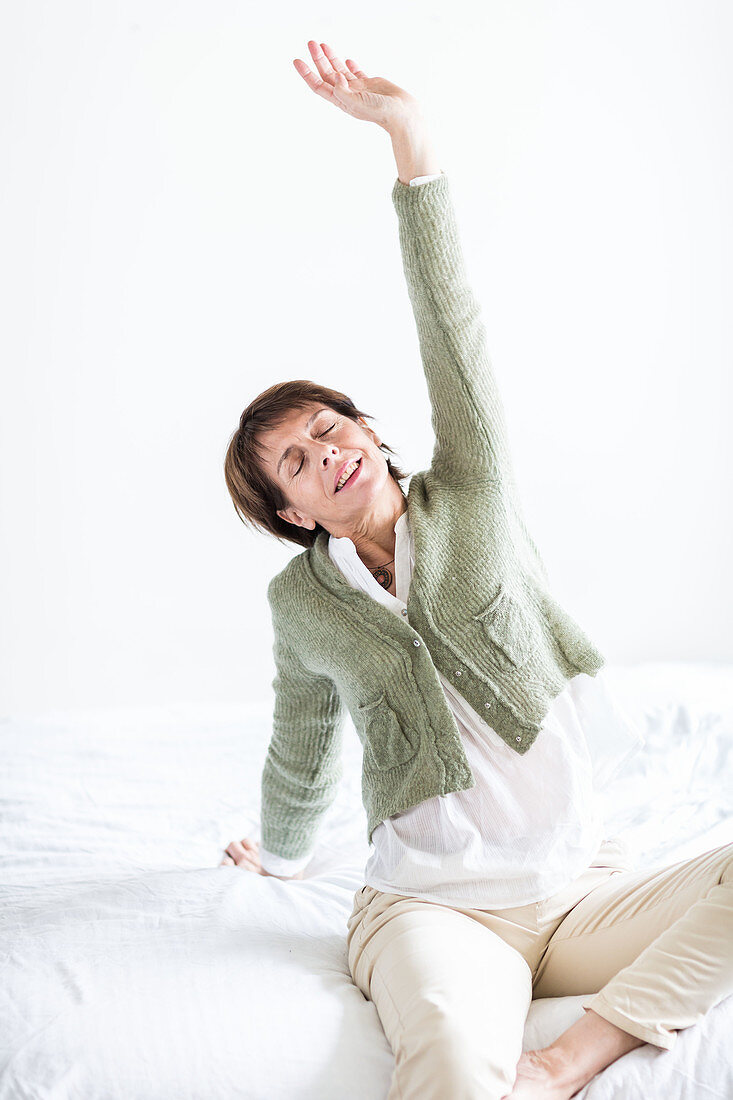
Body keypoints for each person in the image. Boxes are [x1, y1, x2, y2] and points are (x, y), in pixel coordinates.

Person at [219, 40, 733, 1100]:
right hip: (433, 908)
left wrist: (412, 144)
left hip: (578, 886)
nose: (328, 451)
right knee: (452, 1065)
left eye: (331, 425)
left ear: (370, 427)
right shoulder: (302, 602)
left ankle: (563, 1060)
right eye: (297, 461)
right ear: (290, 510)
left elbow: (449, 324)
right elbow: (301, 741)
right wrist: (275, 855)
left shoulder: (475, 489)